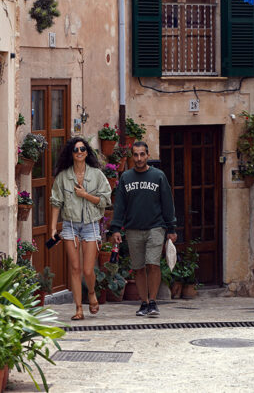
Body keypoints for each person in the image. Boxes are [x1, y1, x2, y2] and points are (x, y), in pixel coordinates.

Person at [110, 141, 177, 317]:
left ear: (147, 155)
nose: (139, 158)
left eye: (142, 154)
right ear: (133, 156)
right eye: (136, 155)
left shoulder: (158, 176)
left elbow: (167, 203)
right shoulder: (126, 177)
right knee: (138, 267)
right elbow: (120, 205)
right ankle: (144, 302)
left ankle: (153, 302)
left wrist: (172, 228)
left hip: (156, 227)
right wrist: (116, 228)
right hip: (133, 229)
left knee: (152, 264)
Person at [49, 137, 112, 321]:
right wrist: (53, 228)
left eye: (82, 149)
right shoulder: (63, 177)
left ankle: (91, 293)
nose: (79, 152)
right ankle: (78, 308)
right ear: (71, 153)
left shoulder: (97, 175)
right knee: (75, 268)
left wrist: (85, 195)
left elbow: (105, 200)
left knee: (87, 269)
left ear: (87, 152)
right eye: (75, 150)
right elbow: (55, 202)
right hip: (70, 225)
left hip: (91, 225)